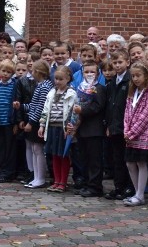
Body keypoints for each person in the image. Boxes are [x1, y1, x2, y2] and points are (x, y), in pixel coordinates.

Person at [122, 62, 148, 207]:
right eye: (133, 76)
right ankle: (137, 193)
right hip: (130, 134)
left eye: (138, 75)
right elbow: (126, 112)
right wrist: (126, 129)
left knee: (141, 163)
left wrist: (132, 132)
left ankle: (140, 193)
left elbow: (146, 116)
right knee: (130, 163)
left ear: (146, 76)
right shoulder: (132, 93)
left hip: (142, 135)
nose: (136, 79)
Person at [38, 65, 76, 193]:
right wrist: (42, 125)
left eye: (61, 79)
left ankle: (63, 182)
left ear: (68, 79)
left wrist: (69, 128)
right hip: (52, 127)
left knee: (63, 155)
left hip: (63, 129)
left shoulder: (71, 93)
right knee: (54, 154)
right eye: (56, 79)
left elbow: (72, 113)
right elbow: (45, 110)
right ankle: (56, 180)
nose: (58, 82)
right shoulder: (51, 92)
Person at [71, 60, 106, 197]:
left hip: (94, 129)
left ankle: (95, 186)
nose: (90, 74)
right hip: (82, 128)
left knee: (94, 160)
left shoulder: (100, 88)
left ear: (98, 74)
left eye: (92, 72)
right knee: (84, 158)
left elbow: (98, 106)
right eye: (87, 72)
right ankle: (86, 184)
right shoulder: (80, 87)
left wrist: (82, 110)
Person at [104, 49, 132, 200]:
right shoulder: (112, 82)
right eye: (114, 63)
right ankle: (118, 186)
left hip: (126, 126)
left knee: (127, 159)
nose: (117, 65)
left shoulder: (130, 81)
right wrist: (108, 125)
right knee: (117, 159)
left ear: (127, 62)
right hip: (114, 126)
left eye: (120, 62)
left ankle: (129, 187)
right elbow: (110, 106)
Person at [24, 60, 53, 189]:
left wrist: (31, 122)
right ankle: (36, 177)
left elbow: (41, 107)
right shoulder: (40, 85)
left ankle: (40, 178)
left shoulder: (45, 86)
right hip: (35, 120)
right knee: (35, 149)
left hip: (38, 122)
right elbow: (34, 105)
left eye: (34, 70)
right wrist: (22, 107)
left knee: (38, 149)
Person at [0, 59, 18, 183]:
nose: (5, 74)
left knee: (10, 148)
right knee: (0, 147)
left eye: (9, 72)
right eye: (3, 71)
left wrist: (16, 122)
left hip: (10, 122)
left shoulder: (15, 85)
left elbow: (17, 105)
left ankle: (9, 172)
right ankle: (0, 170)